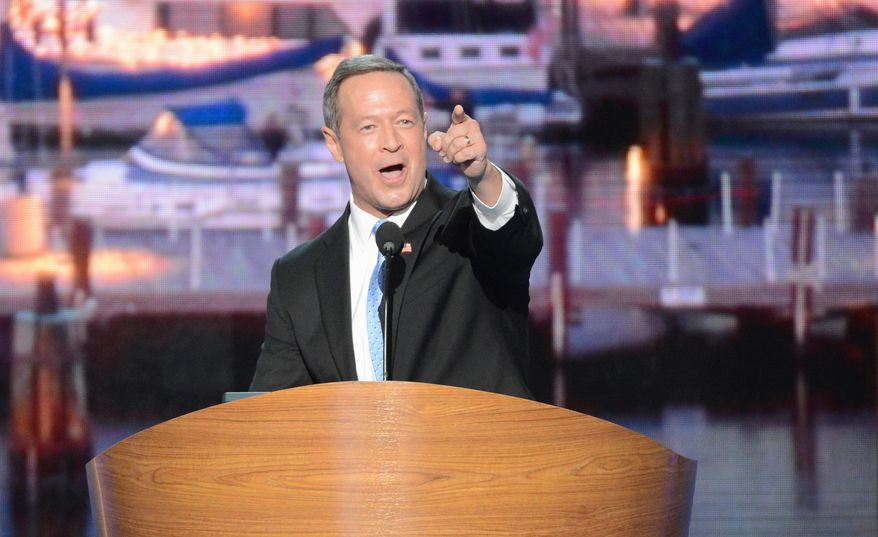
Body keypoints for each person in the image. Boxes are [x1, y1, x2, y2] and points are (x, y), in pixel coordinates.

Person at [249, 55, 542, 399]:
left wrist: (483, 175)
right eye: (369, 127)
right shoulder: (297, 276)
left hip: (473, 451)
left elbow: (510, 231)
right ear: (335, 144)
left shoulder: (467, 225)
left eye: (404, 121)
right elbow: (269, 418)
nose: (391, 141)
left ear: (423, 127)